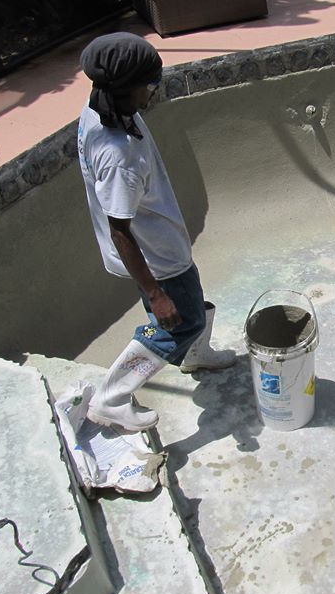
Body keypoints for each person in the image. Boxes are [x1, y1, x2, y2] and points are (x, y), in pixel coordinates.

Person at [77, 32, 234, 432]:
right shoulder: (119, 155)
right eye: (149, 86)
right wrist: (156, 292)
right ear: (125, 88)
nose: (152, 93)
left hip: (161, 246)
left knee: (192, 309)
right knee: (176, 323)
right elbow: (120, 231)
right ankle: (111, 398)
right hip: (156, 258)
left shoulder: (100, 109)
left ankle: (196, 355)